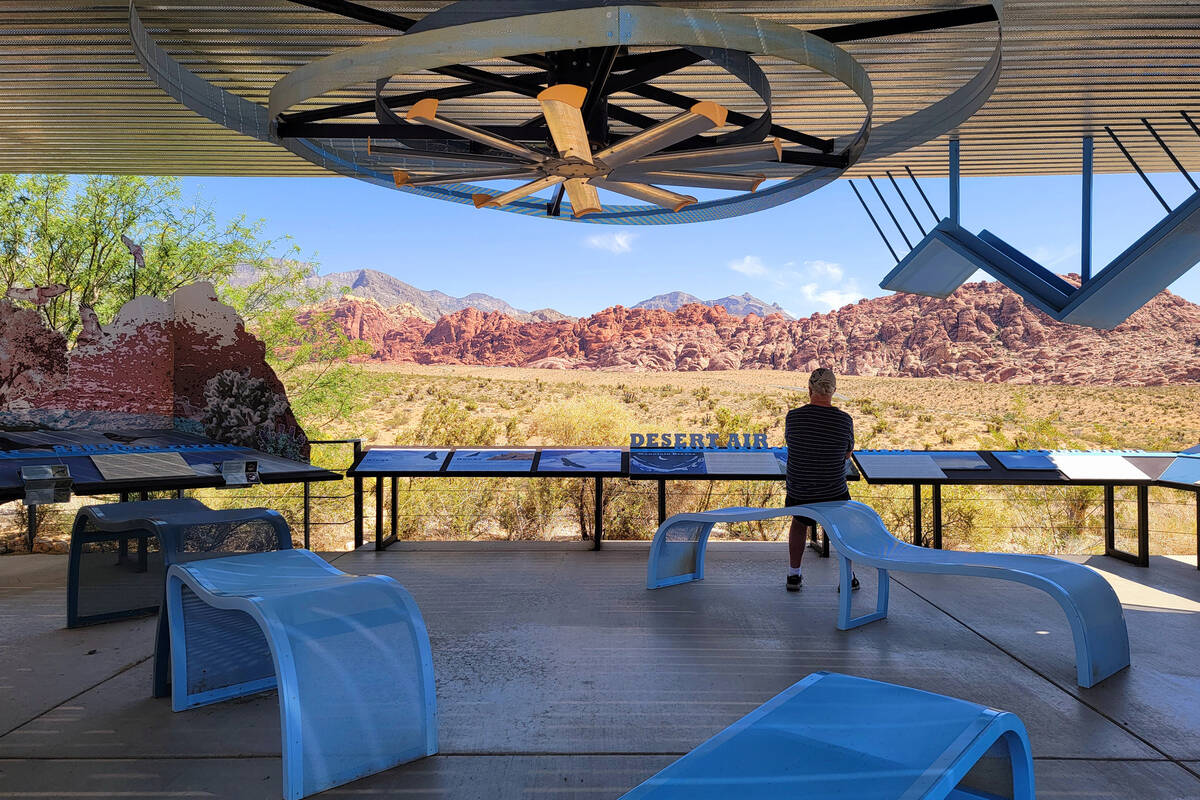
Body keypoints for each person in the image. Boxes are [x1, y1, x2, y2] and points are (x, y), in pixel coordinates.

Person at [783, 367, 856, 591]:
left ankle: (794, 574)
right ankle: (848, 577)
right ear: (833, 391)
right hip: (833, 491)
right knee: (843, 526)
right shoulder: (844, 420)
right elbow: (846, 453)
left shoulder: (793, 417)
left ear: (809, 390)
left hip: (800, 491)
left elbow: (792, 444)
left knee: (798, 521)